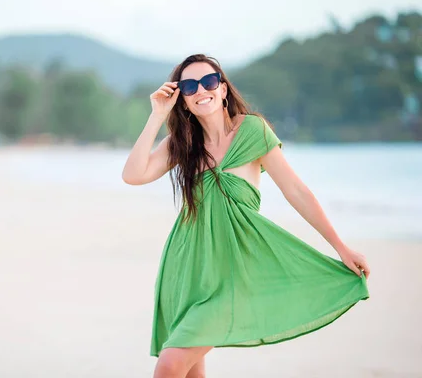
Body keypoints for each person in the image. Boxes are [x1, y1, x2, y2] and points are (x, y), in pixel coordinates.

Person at [121, 54, 371, 378]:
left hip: (234, 270)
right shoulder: (183, 144)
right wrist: (156, 116)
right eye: (189, 86)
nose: (201, 90)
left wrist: (340, 247)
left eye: (209, 82)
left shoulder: (252, 131)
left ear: (223, 89)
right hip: (188, 267)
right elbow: (133, 174)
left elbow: (296, 192)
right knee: (191, 371)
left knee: (170, 365)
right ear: (182, 98)